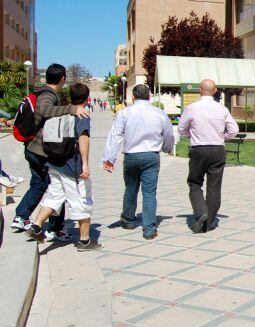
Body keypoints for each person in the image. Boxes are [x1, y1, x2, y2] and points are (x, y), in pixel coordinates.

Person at [11, 63, 89, 239]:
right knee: (57, 186)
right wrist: (72, 109)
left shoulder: (41, 91)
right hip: (40, 151)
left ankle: (22, 215)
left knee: (41, 184)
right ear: (63, 79)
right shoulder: (48, 95)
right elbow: (45, 111)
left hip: (33, 148)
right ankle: (54, 228)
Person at [25, 84, 101, 250]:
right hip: (71, 166)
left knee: (54, 197)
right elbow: (83, 139)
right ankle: (84, 240)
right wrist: (85, 164)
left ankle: (36, 226)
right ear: (87, 98)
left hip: (54, 163)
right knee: (82, 200)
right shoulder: (82, 114)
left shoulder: (62, 110)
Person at [102, 84, 175, 240]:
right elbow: (168, 133)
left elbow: (115, 136)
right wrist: (167, 148)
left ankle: (128, 220)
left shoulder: (124, 113)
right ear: (149, 97)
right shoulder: (159, 113)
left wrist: (109, 158)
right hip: (151, 155)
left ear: (133, 97)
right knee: (149, 192)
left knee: (130, 188)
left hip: (131, 155)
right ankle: (148, 228)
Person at [178, 79, 238, 233]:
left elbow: (181, 128)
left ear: (200, 90)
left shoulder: (192, 108)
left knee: (195, 183)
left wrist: (190, 135)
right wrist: (222, 136)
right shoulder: (222, 109)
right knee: (214, 187)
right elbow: (233, 129)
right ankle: (209, 222)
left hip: (199, 149)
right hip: (217, 149)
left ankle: (201, 212)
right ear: (215, 90)